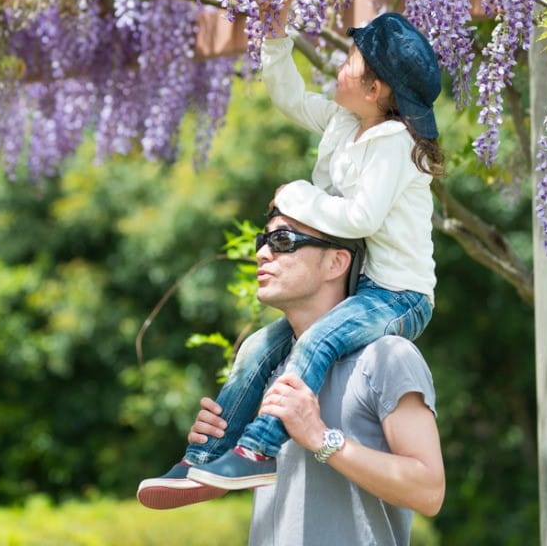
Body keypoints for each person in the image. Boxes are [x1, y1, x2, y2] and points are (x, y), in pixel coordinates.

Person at [138, 0, 445, 494]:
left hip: (398, 296)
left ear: (374, 88)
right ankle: (207, 457)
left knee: (316, 341)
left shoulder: (392, 141)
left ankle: (257, 449)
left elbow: (361, 216)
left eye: (350, 63)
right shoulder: (349, 125)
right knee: (258, 348)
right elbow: (290, 98)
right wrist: (276, 38)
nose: (339, 68)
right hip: (358, 289)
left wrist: (295, 195)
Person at [141, 208, 445, 545]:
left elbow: (429, 492)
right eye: (262, 241)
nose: (261, 253)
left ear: (336, 263)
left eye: (282, 240)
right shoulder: (267, 366)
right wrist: (212, 456)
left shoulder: (387, 357)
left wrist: (320, 437)